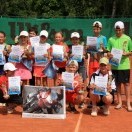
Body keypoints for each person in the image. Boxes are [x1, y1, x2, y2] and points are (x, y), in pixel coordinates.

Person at [107, 21, 132, 112]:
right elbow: (108, 51)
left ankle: (128, 103)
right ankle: (120, 102)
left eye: (119, 30)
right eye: (116, 30)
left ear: (123, 29)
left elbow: (131, 51)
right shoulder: (111, 39)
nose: (118, 32)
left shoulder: (128, 39)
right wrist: (109, 54)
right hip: (114, 66)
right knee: (117, 84)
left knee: (126, 84)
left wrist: (127, 53)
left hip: (125, 65)